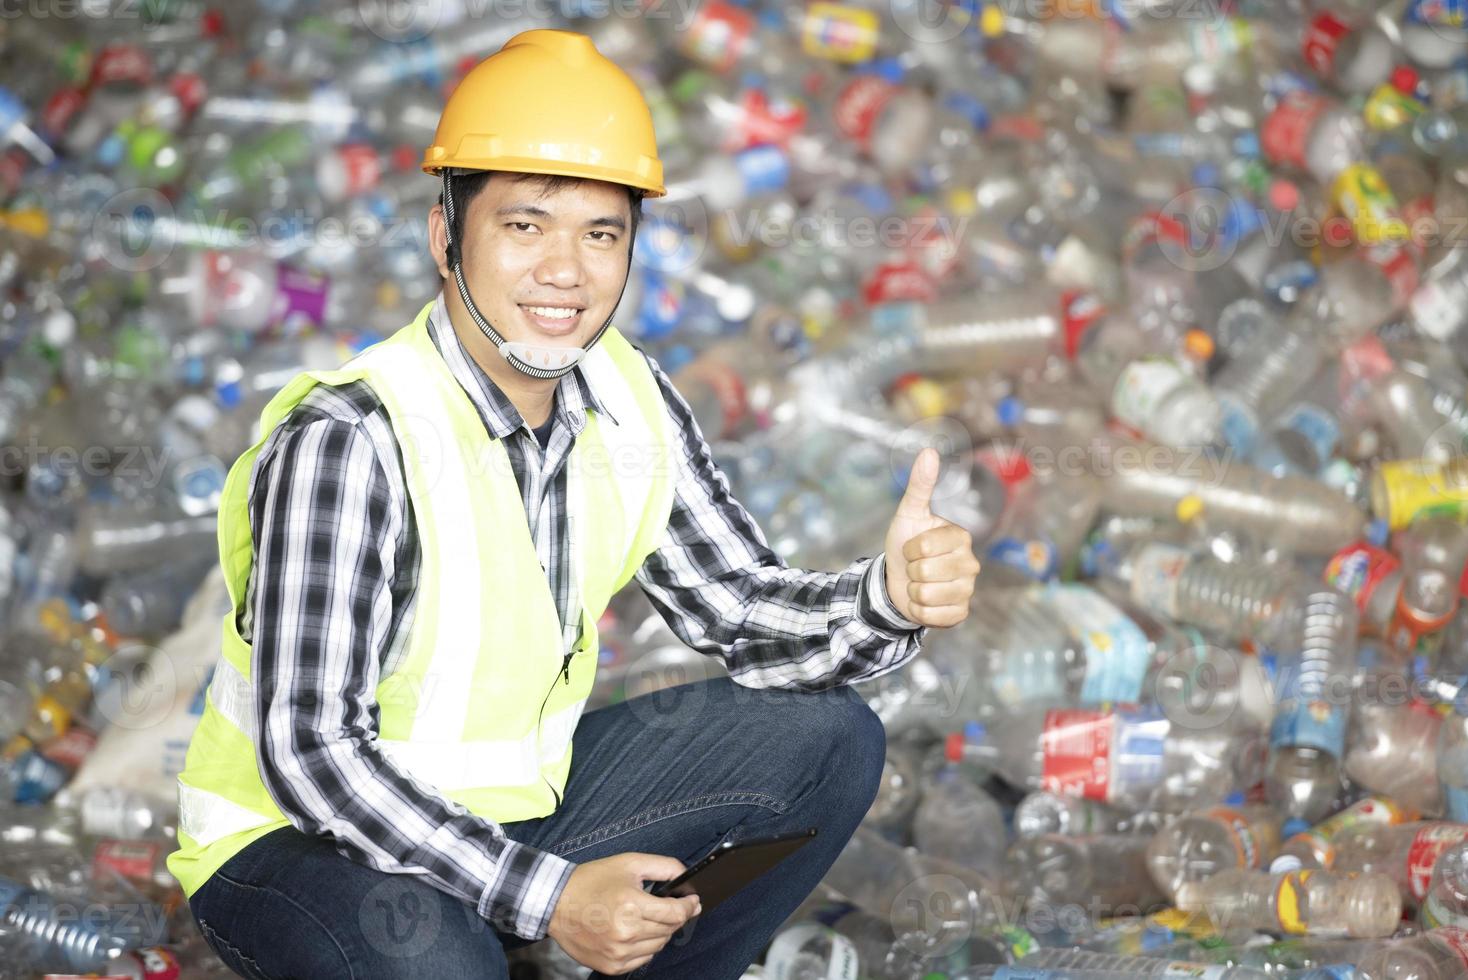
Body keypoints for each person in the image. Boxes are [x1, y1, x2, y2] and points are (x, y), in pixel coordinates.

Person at [167, 28, 980, 980]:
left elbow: (741, 610)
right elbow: (311, 754)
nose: (566, 271)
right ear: (446, 237)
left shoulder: (628, 400)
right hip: (292, 840)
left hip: (508, 807)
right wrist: (550, 898)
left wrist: (889, 598)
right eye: (525, 225)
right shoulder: (354, 438)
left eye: (601, 234)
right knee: (434, 955)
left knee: (826, 740)